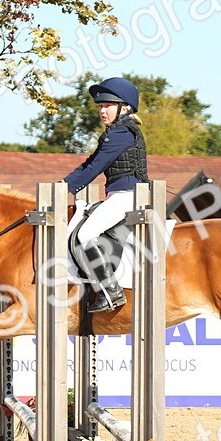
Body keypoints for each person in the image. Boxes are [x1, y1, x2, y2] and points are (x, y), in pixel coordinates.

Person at [62, 77, 149, 312]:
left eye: (108, 106)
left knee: (86, 233)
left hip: (127, 196)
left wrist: (65, 187)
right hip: (121, 195)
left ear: (125, 107)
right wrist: (64, 184)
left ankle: (112, 291)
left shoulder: (121, 133)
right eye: (100, 106)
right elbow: (91, 162)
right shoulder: (118, 131)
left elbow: (94, 166)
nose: (102, 111)